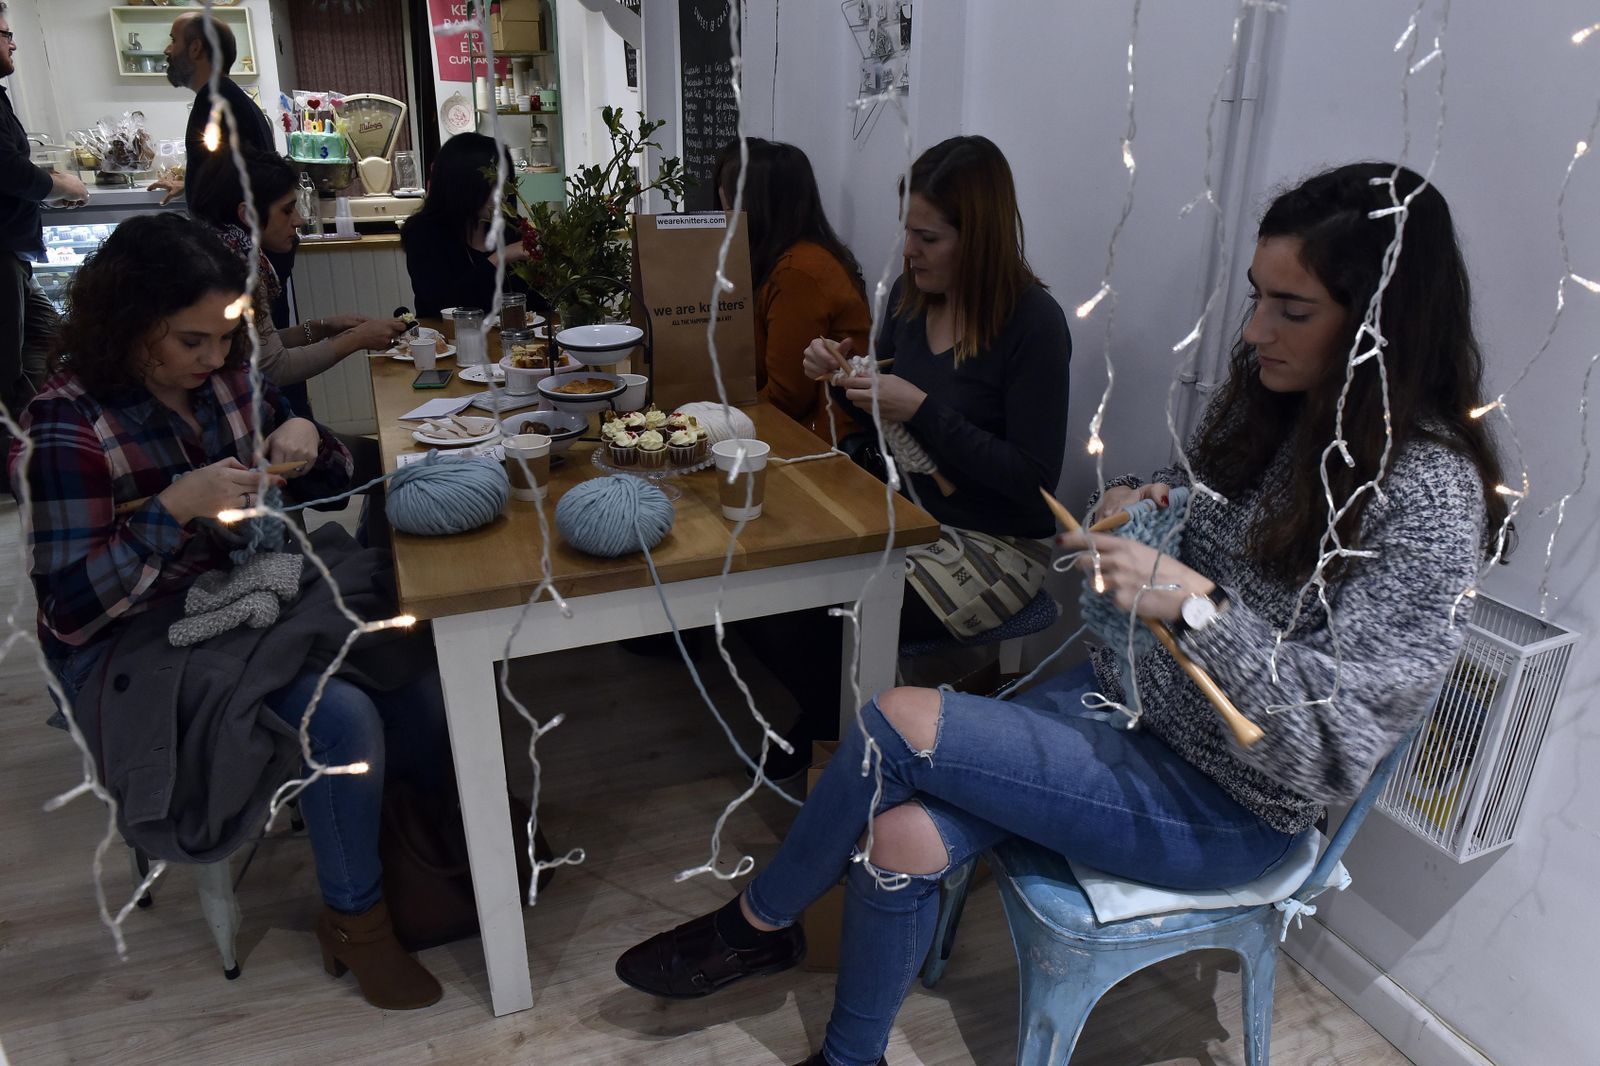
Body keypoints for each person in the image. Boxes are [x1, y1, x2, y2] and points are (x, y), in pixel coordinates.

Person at [614, 162, 1508, 1066]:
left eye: (1293, 310)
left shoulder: (1428, 493)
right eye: (1256, 298)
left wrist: (1199, 605)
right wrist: (1141, 498)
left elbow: (1339, 745)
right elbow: (1194, 504)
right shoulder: (1284, 410)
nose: (1254, 330)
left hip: (1230, 802)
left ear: (1380, 324)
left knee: (891, 721)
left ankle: (760, 921)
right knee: (901, 835)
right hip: (1133, 709)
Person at [8, 213, 447, 1011]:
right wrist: (171, 508)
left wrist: (309, 434)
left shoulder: (223, 377)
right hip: (134, 641)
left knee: (411, 654)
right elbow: (69, 612)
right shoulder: (66, 424)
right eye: (192, 342)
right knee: (338, 715)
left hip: (247, 596)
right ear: (132, 325)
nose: (216, 359)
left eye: (226, 338)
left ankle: (435, 840)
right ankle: (358, 922)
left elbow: (308, 470)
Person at [739, 135, 1072, 781]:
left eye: (929, 237)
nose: (908, 251)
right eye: (907, 232)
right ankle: (830, 718)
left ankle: (847, 742)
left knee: (814, 608)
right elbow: (881, 417)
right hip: (902, 505)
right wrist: (840, 376)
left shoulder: (1033, 323)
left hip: (993, 540)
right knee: (756, 573)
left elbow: (1032, 486)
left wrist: (921, 408)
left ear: (978, 238)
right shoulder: (912, 302)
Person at [189, 149, 403, 542]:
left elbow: (256, 348)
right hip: (240, 438)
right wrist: (355, 340)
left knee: (379, 461)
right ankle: (380, 567)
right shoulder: (235, 270)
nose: (299, 221)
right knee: (387, 462)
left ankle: (374, 561)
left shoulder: (223, 250)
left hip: (250, 425)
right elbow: (272, 366)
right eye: (288, 211)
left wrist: (320, 328)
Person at [714, 138, 871, 441]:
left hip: (820, 446)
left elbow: (787, 398)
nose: (725, 214)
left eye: (731, 202)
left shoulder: (796, 273)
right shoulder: (783, 259)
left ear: (757, 205)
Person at [0, 1, 89, 492]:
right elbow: (10, 171)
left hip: (15, 254)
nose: (13, 42)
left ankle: (47, 449)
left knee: (50, 340)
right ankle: (20, 473)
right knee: (7, 368)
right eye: (6, 33)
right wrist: (61, 184)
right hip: (3, 255)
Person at [401, 133, 539, 318]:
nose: (504, 194)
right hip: (450, 343)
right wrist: (501, 257)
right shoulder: (424, 234)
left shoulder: (510, 228)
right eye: (494, 184)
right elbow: (445, 308)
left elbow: (537, 304)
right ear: (463, 186)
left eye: (507, 183)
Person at [147, 12, 274, 209]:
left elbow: (238, 192)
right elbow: (229, 174)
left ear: (196, 48)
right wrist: (189, 184)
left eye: (173, 40)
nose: (167, 49)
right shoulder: (229, 97)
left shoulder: (214, 103)